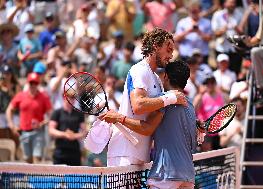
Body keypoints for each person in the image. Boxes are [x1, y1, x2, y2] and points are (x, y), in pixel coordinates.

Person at [99, 60, 201, 189]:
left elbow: (147, 128)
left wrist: (118, 118)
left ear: (166, 76)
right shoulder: (190, 105)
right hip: (188, 177)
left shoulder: (164, 99)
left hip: (166, 175)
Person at [104, 28, 187, 167]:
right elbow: (138, 106)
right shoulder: (139, 70)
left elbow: (150, 127)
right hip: (124, 153)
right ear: (156, 46)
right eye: (168, 49)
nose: (171, 55)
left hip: (142, 156)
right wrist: (170, 98)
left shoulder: (157, 80)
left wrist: (192, 124)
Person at [6, 72, 52, 163]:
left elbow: (51, 115)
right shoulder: (21, 95)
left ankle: (35, 177)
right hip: (24, 132)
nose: (33, 85)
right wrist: (12, 125)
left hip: (38, 132)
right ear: (28, 83)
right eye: (31, 83)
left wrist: (43, 123)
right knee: (28, 160)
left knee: (37, 159)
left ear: (38, 84)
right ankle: (30, 177)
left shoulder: (43, 97)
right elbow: (9, 110)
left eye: (35, 83)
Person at [48, 91, 87, 166]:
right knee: (58, 175)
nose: (71, 100)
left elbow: (84, 132)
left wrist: (74, 136)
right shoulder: (57, 112)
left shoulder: (79, 114)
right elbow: (51, 130)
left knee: (75, 176)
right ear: (64, 98)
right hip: (60, 149)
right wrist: (65, 134)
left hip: (74, 150)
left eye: (73, 98)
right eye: (68, 97)